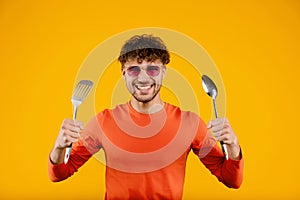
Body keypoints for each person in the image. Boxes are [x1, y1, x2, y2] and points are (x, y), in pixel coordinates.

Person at [48, 34, 244, 199]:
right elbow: (59, 174)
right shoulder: (103, 122)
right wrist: (59, 147)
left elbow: (231, 180)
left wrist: (233, 146)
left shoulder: (190, 123)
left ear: (163, 73)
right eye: (134, 69)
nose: (143, 78)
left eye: (152, 69)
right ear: (123, 73)